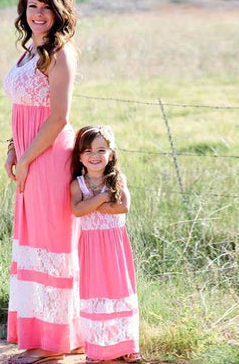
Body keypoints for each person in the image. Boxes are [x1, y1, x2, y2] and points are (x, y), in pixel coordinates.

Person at [3, 0, 83, 364]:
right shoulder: (28, 50)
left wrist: (28, 158)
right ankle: (56, 334)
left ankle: (50, 345)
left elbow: (57, 118)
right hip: (29, 155)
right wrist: (12, 149)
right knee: (35, 242)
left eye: (46, 6)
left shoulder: (62, 53)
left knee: (52, 243)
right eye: (32, 6)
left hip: (49, 157)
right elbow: (21, 109)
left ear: (59, 10)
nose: (38, 13)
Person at [70, 126, 142, 364]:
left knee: (119, 291)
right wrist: (101, 198)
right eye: (88, 150)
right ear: (79, 156)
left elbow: (123, 206)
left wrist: (91, 203)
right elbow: (77, 210)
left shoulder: (118, 179)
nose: (95, 155)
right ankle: (99, 348)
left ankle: (126, 345)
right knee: (96, 293)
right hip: (91, 248)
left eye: (102, 149)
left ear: (111, 153)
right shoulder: (77, 184)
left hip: (115, 245)